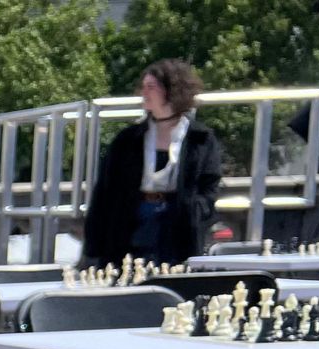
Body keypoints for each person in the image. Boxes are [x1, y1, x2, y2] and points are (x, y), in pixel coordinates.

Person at [83, 59, 222, 266]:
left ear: (171, 90)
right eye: (143, 87)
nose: (143, 93)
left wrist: (194, 211)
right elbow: (104, 191)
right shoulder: (128, 139)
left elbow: (209, 187)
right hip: (133, 222)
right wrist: (93, 246)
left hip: (177, 225)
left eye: (151, 87)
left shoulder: (200, 139)